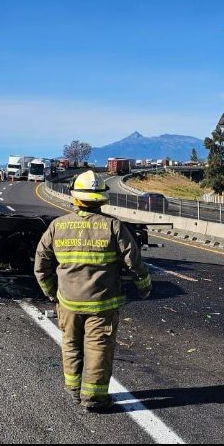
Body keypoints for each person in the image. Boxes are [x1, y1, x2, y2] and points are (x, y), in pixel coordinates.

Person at [34, 170, 151, 411]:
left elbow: (41, 265)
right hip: (102, 305)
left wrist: (51, 292)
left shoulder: (58, 226)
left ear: (75, 198)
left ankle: (74, 390)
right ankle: (94, 398)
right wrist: (144, 286)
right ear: (102, 198)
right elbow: (135, 262)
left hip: (68, 303)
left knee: (71, 345)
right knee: (98, 348)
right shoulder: (113, 227)